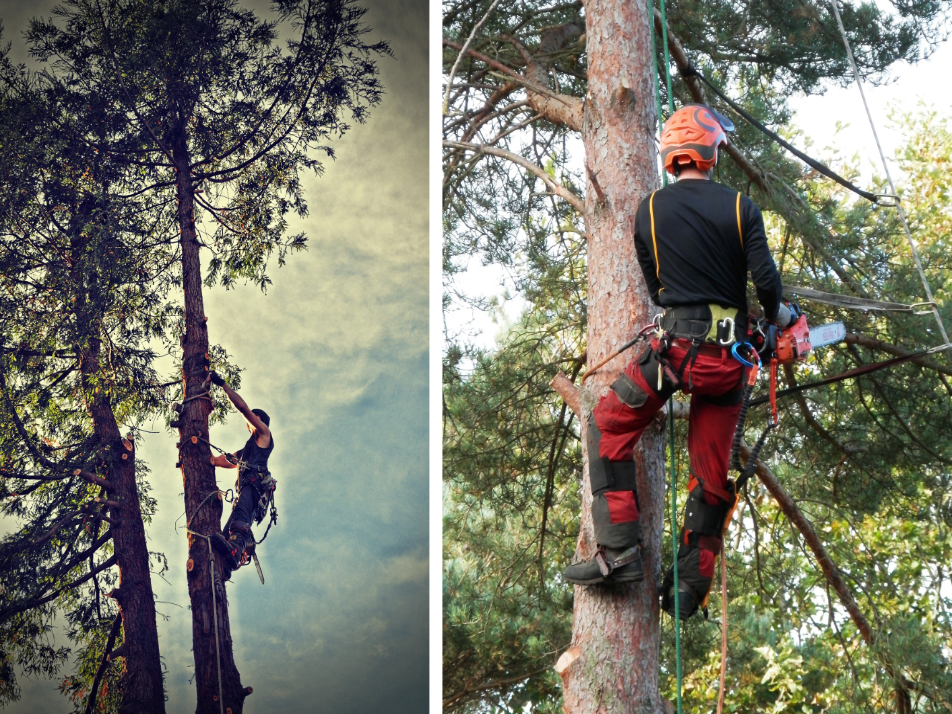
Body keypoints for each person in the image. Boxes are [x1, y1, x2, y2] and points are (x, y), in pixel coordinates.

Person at [562, 104, 795, 619]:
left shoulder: (646, 211)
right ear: (711, 151)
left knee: (608, 425)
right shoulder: (740, 208)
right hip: (729, 365)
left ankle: (619, 552)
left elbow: (656, 288)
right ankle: (689, 587)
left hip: (675, 357)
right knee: (710, 475)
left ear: (672, 155)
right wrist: (786, 317)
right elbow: (769, 289)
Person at [208, 371, 275, 573]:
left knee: (240, 519)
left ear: (259, 420)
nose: (249, 420)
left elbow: (243, 408)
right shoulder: (246, 451)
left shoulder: (264, 434)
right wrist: (202, 451)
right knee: (226, 531)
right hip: (246, 490)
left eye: (254, 417)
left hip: (253, 487)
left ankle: (235, 552)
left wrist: (224, 386)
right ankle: (225, 566)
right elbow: (222, 460)